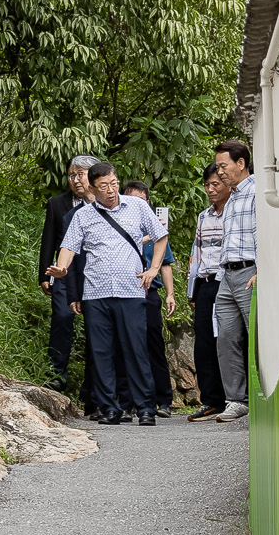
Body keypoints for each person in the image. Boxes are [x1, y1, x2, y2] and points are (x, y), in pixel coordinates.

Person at [48, 162, 162, 425]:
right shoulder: (83, 216)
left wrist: (153, 269)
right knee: (101, 352)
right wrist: (61, 268)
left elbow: (160, 235)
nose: (110, 190)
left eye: (113, 183)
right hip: (95, 293)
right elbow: (68, 247)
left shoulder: (137, 207)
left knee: (136, 349)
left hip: (130, 290)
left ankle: (145, 407)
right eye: (103, 187)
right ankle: (110, 408)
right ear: (92, 188)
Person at [38, 155, 103, 407]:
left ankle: (92, 387)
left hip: (94, 273)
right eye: (71, 175)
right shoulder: (58, 204)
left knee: (95, 327)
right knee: (62, 319)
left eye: (80, 174)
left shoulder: (106, 203)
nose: (75, 180)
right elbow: (49, 240)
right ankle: (57, 375)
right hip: (64, 272)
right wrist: (45, 273)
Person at [121, 180, 179, 414]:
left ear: (147, 202)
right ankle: (132, 401)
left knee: (154, 345)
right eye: (131, 199)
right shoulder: (115, 225)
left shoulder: (155, 230)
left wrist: (170, 295)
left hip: (149, 294)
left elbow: (165, 264)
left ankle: (164, 400)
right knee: (128, 347)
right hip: (124, 295)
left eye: (141, 200)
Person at [210, 139, 258, 423]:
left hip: (249, 272)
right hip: (227, 275)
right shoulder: (233, 197)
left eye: (223, 166)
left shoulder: (255, 192)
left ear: (241, 163)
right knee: (226, 338)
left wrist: (260, 268)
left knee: (256, 335)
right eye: (218, 167)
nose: (220, 172)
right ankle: (236, 400)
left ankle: (262, 396)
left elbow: (261, 231)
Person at [186, 164, 232, 421]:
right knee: (203, 343)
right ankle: (211, 400)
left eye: (216, 184)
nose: (211, 189)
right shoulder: (204, 216)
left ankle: (233, 397)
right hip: (204, 284)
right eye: (207, 185)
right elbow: (197, 253)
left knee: (227, 339)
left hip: (227, 281)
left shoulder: (235, 213)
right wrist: (192, 290)